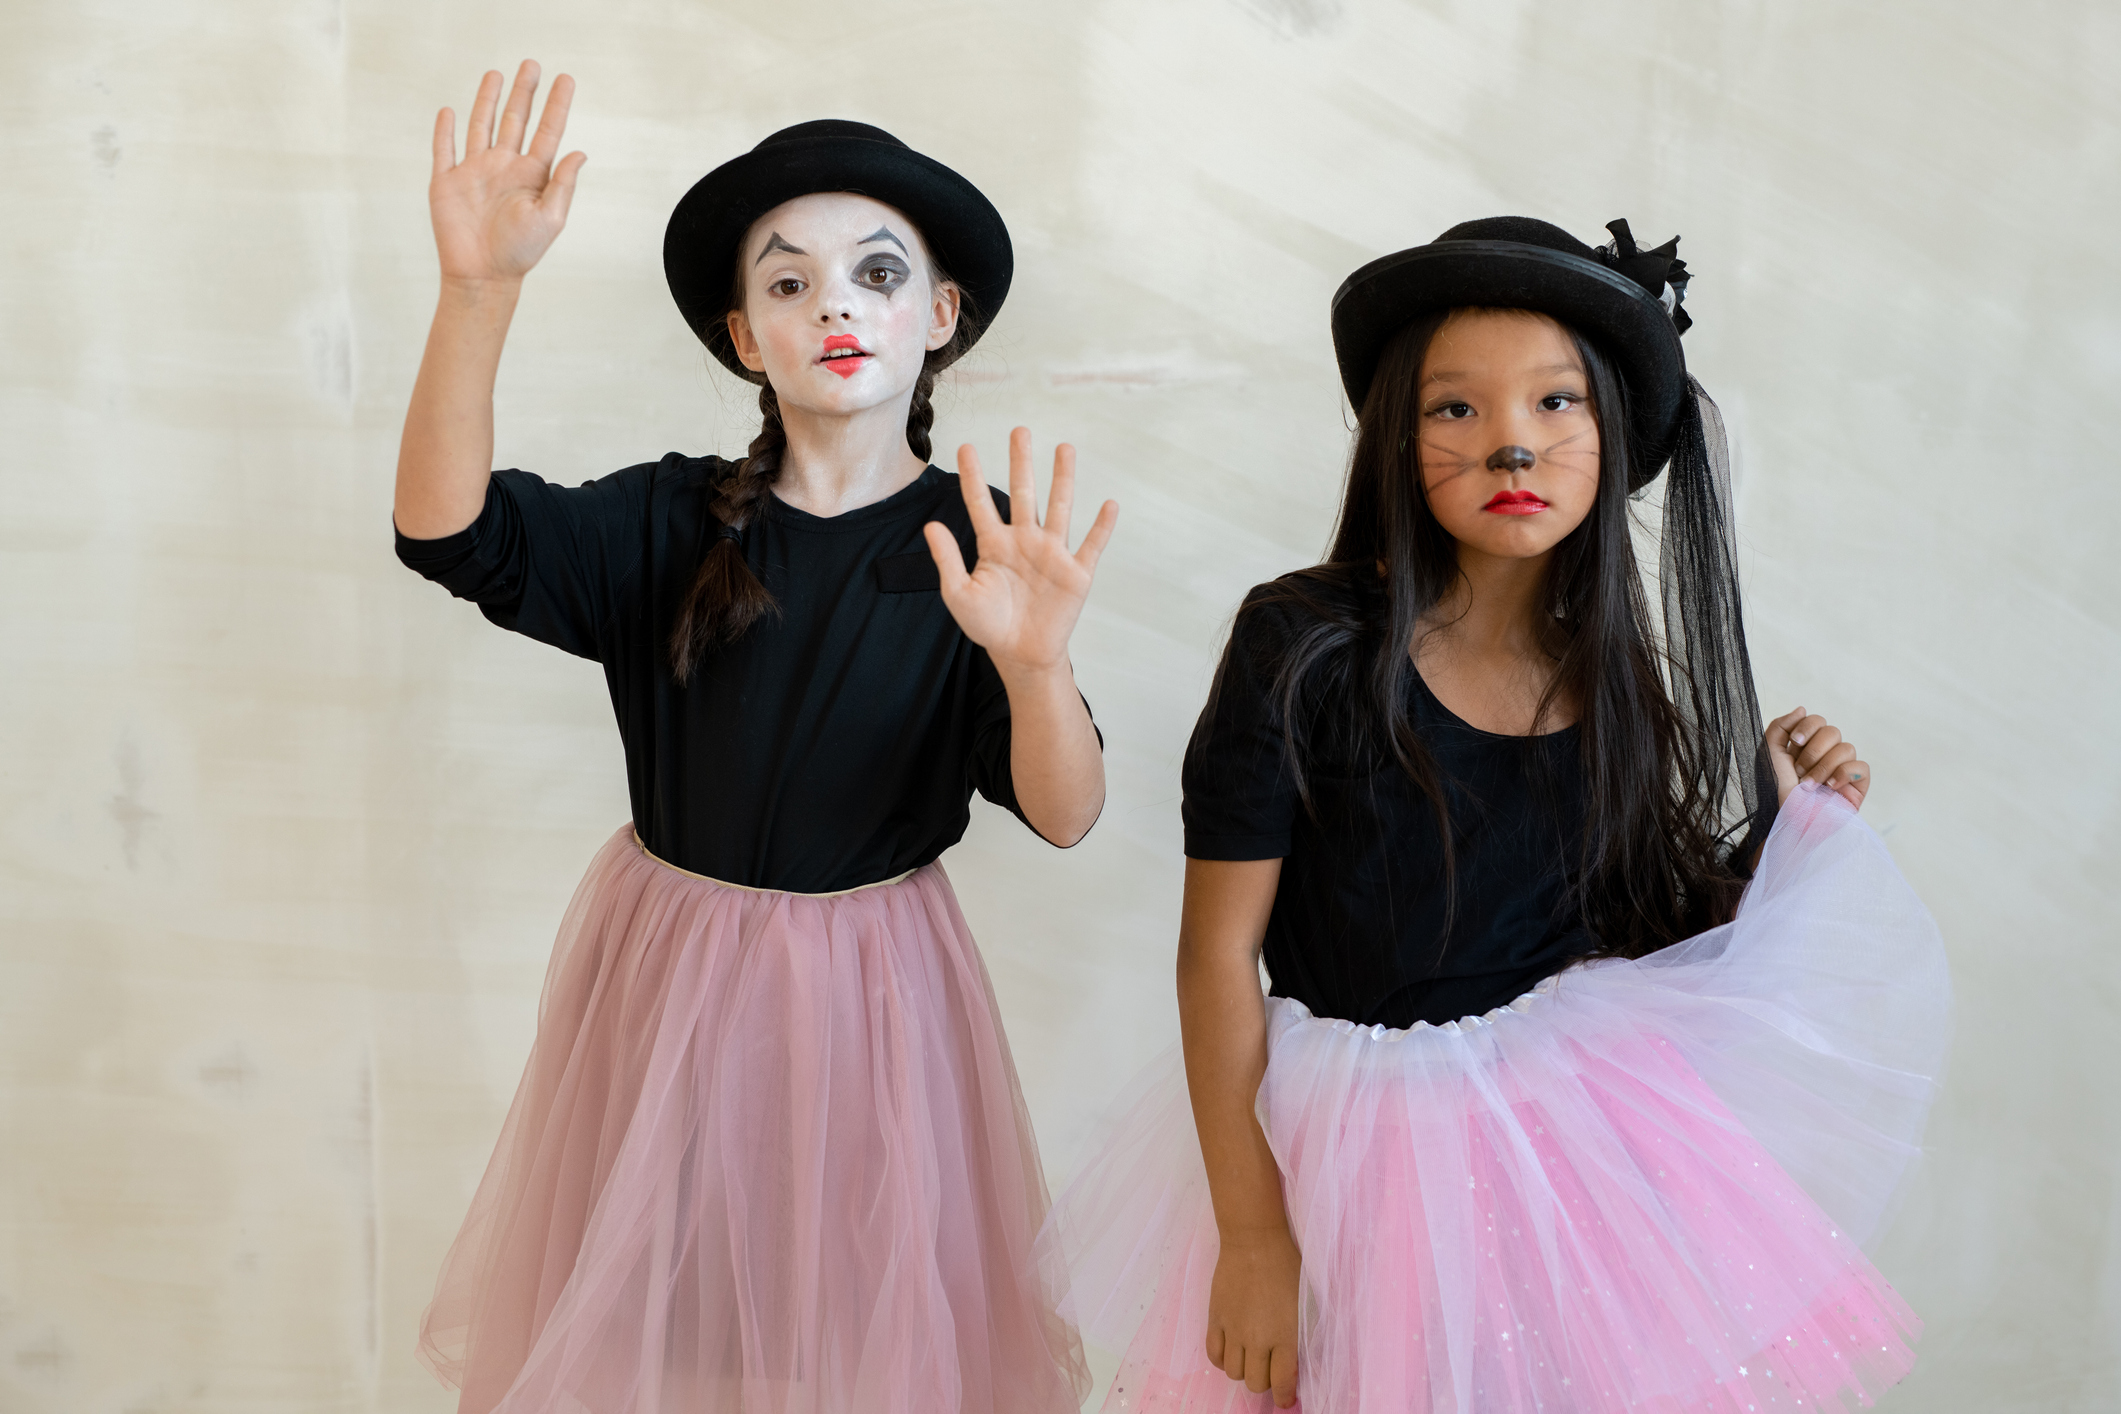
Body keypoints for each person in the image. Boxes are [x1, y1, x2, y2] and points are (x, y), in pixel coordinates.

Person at [1038, 217, 1950, 1411]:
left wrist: (1779, 824)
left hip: (1561, 1166)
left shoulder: (1615, 681)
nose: (1511, 440)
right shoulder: (1304, 641)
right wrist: (1254, 1233)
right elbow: (1216, 955)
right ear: (1396, 441)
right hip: (1343, 1158)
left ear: (1612, 431)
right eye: (1455, 409)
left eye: (1556, 402)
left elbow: (1645, 943)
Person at [394, 62, 1112, 1414]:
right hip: (668, 985)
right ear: (742, 334)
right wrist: (478, 292)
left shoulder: (980, 541)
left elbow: (1067, 810)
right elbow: (449, 532)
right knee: (677, 1336)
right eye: (788, 282)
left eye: (878, 273)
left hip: (879, 1000)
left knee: (859, 1340)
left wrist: (1036, 666)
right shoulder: (670, 523)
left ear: (940, 315)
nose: (834, 302)